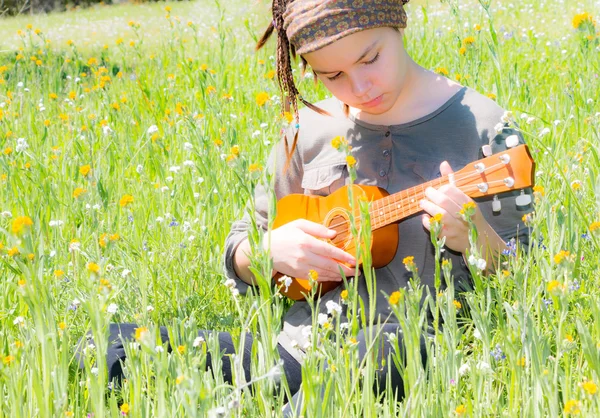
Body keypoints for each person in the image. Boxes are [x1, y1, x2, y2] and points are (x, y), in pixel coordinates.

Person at [88, 0, 531, 413]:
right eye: (332, 75)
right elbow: (242, 243)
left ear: (397, 22)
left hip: (415, 345)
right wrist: (267, 252)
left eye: (369, 58)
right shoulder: (307, 129)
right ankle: (277, 393)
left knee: (387, 349)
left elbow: (526, 273)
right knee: (114, 347)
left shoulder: (486, 126)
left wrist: (472, 233)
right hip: (301, 345)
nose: (358, 87)